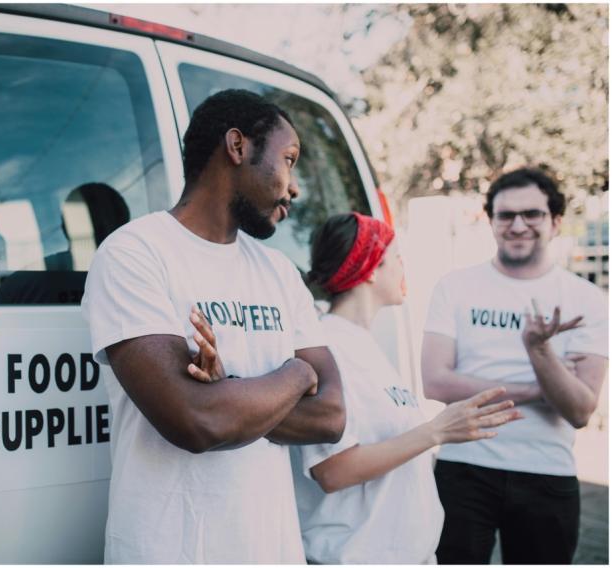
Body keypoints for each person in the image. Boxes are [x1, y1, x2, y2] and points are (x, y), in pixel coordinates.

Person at [81, 89, 346, 563]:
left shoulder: (279, 271)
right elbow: (196, 421)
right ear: (238, 146)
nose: (295, 186)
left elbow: (331, 416)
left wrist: (229, 393)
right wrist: (297, 376)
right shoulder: (134, 254)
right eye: (289, 159)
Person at [288, 212, 522, 564]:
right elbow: (333, 471)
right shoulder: (327, 348)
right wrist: (437, 431)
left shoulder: (365, 346)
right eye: (396, 257)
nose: (403, 267)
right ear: (370, 268)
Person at [421, 168, 608, 564]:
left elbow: (578, 410)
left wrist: (538, 351)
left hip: (546, 471)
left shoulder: (587, 300)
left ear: (555, 222)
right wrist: (537, 390)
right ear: (491, 222)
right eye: (505, 215)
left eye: (532, 214)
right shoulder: (455, 286)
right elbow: (435, 382)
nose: (518, 225)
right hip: (463, 465)